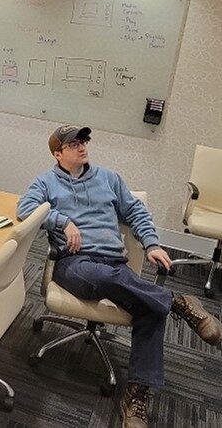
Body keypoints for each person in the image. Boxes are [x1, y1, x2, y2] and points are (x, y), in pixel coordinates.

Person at [17, 125, 222, 428]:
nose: (82, 147)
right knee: (111, 281)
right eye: (73, 144)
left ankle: (136, 395)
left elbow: (137, 213)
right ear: (58, 153)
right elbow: (25, 209)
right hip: (75, 263)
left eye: (83, 141)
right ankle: (177, 302)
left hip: (114, 262)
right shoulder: (46, 182)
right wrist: (63, 221)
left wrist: (152, 243)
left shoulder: (109, 178)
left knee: (149, 310)